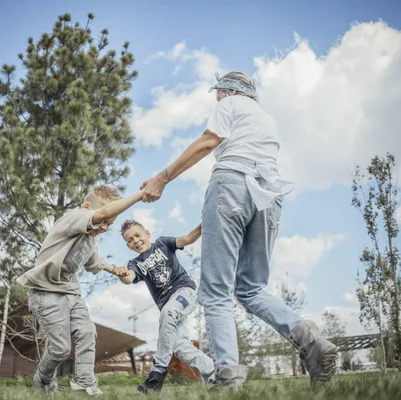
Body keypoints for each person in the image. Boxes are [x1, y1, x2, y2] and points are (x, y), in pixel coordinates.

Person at [139, 71, 338, 389]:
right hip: (269, 195)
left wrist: (162, 178)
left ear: (227, 90)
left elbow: (208, 142)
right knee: (253, 288)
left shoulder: (229, 104)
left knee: (216, 292)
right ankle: (313, 343)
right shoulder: (266, 118)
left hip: (232, 184)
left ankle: (228, 381)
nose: (216, 98)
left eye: (217, 93)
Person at [16, 185, 140, 395]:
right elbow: (102, 213)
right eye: (104, 221)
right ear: (86, 208)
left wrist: (116, 270)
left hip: (71, 293)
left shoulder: (91, 243)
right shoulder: (73, 218)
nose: (104, 228)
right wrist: (139, 196)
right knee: (61, 349)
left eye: (109, 225)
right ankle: (43, 381)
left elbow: (96, 262)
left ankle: (84, 382)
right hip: (45, 293)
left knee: (87, 332)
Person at [116, 220, 214, 393]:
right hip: (169, 308)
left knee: (169, 311)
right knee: (181, 348)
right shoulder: (135, 263)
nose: (136, 241)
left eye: (138, 235)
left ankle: (157, 374)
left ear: (147, 233)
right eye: (130, 240)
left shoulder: (162, 243)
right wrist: (122, 274)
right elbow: (129, 278)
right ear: (128, 246)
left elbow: (187, 239)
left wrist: (204, 223)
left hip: (185, 292)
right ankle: (215, 375)